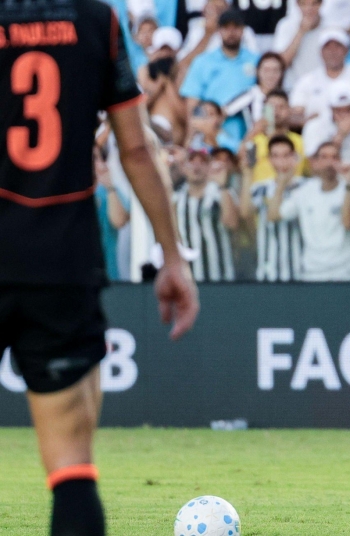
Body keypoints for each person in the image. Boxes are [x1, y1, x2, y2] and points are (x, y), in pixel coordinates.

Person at [0, 2, 198, 535]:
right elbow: (136, 149)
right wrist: (171, 256)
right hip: (59, 260)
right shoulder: (95, 21)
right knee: (71, 467)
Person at [277, 142, 350, 281]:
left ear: (341, 161)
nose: (330, 162)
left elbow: (349, 224)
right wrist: (282, 182)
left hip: (348, 272)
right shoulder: (305, 191)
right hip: (313, 273)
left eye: (334, 157)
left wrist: (349, 185)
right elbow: (276, 215)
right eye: (324, 157)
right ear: (316, 163)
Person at [180, 9, 259, 145]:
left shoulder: (256, 60)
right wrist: (190, 136)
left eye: (236, 27)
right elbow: (192, 104)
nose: (231, 32)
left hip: (249, 133)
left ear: (243, 30)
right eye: (226, 28)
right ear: (219, 31)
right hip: (211, 134)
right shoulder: (203, 62)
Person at [241, 135, 304, 282]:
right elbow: (245, 213)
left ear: (294, 157)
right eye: (276, 156)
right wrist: (247, 173)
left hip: (301, 271)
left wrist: (282, 183)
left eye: (286, 155)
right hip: (268, 271)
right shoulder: (261, 188)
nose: (281, 161)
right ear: (270, 159)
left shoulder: (305, 187)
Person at [173, 149, 239, 282]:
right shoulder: (176, 199)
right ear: (183, 167)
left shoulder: (222, 193)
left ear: (209, 167)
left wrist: (223, 186)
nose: (196, 166)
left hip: (219, 275)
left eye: (202, 162)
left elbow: (232, 224)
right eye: (191, 161)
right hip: (187, 276)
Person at [288, 28, 350, 126]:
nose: (333, 52)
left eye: (337, 47)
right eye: (328, 48)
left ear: (346, 50)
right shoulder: (307, 80)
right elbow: (295, 114)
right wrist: (309, 121)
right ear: (321, 51)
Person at [302, 81, 350, 168]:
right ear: (331, 109)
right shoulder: (314, 126)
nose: (344, 115)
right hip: (330, 174)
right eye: (339, 110)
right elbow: (314, 164)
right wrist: (340, 136)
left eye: (349, 110)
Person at [241, 90, 308, 183]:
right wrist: (253, 132)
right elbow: (240, 165)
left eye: (281, 107)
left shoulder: (301, 142)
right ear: (264, 110)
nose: (276, 111)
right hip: (261, 191)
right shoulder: (254, 142)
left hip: (293, 190)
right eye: (271, 107)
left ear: (289, 110)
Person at [137, 26, 187, 145]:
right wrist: (159, 84)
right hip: (150, 133)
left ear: (176, 51)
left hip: (174, 137)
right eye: (161, 50)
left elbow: (185, 116)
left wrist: (168, 84)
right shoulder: (145, 71)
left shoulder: (183, 73)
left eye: (168, 50)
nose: (164, 54)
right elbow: (141, 109)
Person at [224, 52, 286, 133]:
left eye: (275, 70)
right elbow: (224, 112)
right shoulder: (250, 95)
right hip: (254, 139)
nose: (271, 75)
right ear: (257, 71)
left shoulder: (287, 96)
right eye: (266, 70)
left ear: (282, 73)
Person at [93, 148, 131, 282]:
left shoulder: (111, 192)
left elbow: (119, 221)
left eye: (95, 158)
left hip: (109, 275)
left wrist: (110, 187)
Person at [273, 0, 326, 91]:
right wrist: (301, 31)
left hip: (323, 88)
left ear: (321, 4)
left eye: (314, 4)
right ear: (297, 5)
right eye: (304, 4)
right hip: (294, 87)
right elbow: (281, 64)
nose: (309, 9)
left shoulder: (329, 25)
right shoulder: (286, 25)